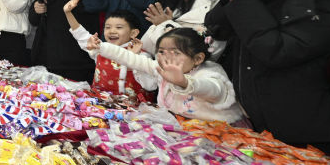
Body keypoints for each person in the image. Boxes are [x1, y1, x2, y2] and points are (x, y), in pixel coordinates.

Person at [206, 0, 330, 151]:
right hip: (262, 124)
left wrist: (246, 2)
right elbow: (217, 27)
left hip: (310, 130)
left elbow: (278, 51)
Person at [93, 28, 246, 124]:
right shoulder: (162, 68)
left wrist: (185, 83)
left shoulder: (208, 73)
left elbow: (214, 90)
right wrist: (102, 46)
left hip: (217, 133)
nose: (165, 57)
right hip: (180, 127)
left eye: (175, 53)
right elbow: (133, 59)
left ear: (198, 58)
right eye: (161, 51)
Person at [64, 0, 154, 101]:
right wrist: (68, 13)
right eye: (107, 27)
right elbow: (81, 35)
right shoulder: (100, 48)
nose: (112, 31)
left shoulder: (142, 55)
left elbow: (150, 86)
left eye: (119, 27)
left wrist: (135, 59)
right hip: (100, 106)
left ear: (133, 33)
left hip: (134, 111)